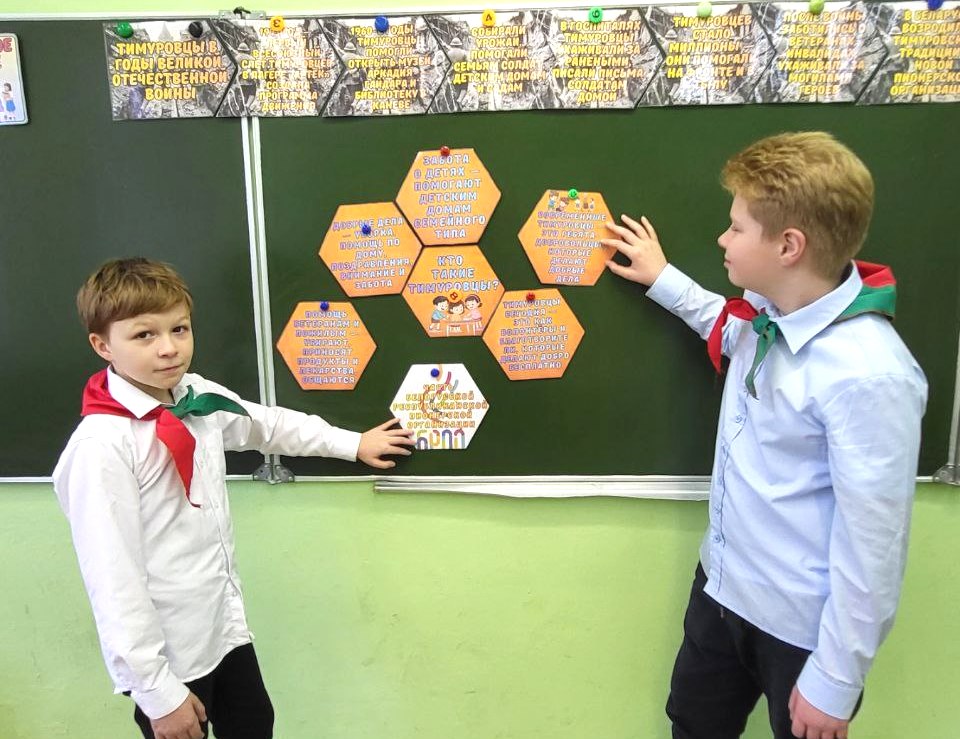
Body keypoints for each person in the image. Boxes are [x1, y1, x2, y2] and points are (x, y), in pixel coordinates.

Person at [602, 131, 927, 739]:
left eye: (736, 227)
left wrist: (836, 680)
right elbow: (729, 331)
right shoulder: (769, 311)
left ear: (788, 246)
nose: (722, 239)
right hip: (722, 585)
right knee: (692, 724)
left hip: (799, 630)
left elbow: (874, 547)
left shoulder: (869, 375)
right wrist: (662, 277)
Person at [53, 257, 415, 739]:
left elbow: (266, 424)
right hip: (169, 656)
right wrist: (157, 693)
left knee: (255, 724)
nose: (169, 348)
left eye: (179, 329)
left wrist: (353, 444)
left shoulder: (194, 395)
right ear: (103, 345)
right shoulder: (101, 447)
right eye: (144, 335)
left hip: (223, 629)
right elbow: (113, 581)